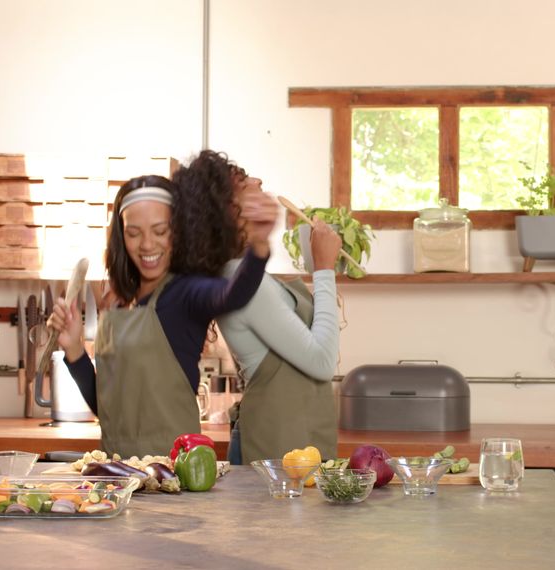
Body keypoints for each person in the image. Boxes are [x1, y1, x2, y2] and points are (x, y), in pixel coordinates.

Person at [46, 174, 277, 458]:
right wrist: (74, 351)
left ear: (178, 232)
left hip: (176, 480)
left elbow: (232, 294)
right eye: (134, 233)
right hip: (118, 477)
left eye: (160, 231)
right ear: (122, 236)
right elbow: (108, 411)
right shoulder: (120, 306)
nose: (146, 245)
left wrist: (259, 245)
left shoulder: (185, 294)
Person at [171, 151, 342, 464]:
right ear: (226, 210)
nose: (258, 180)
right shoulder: (239, 279)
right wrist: (324, 269)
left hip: (291, 446)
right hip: (275, 454)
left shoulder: (244, 275)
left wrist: (319, 261)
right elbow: (321, 361)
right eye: (242, 182)